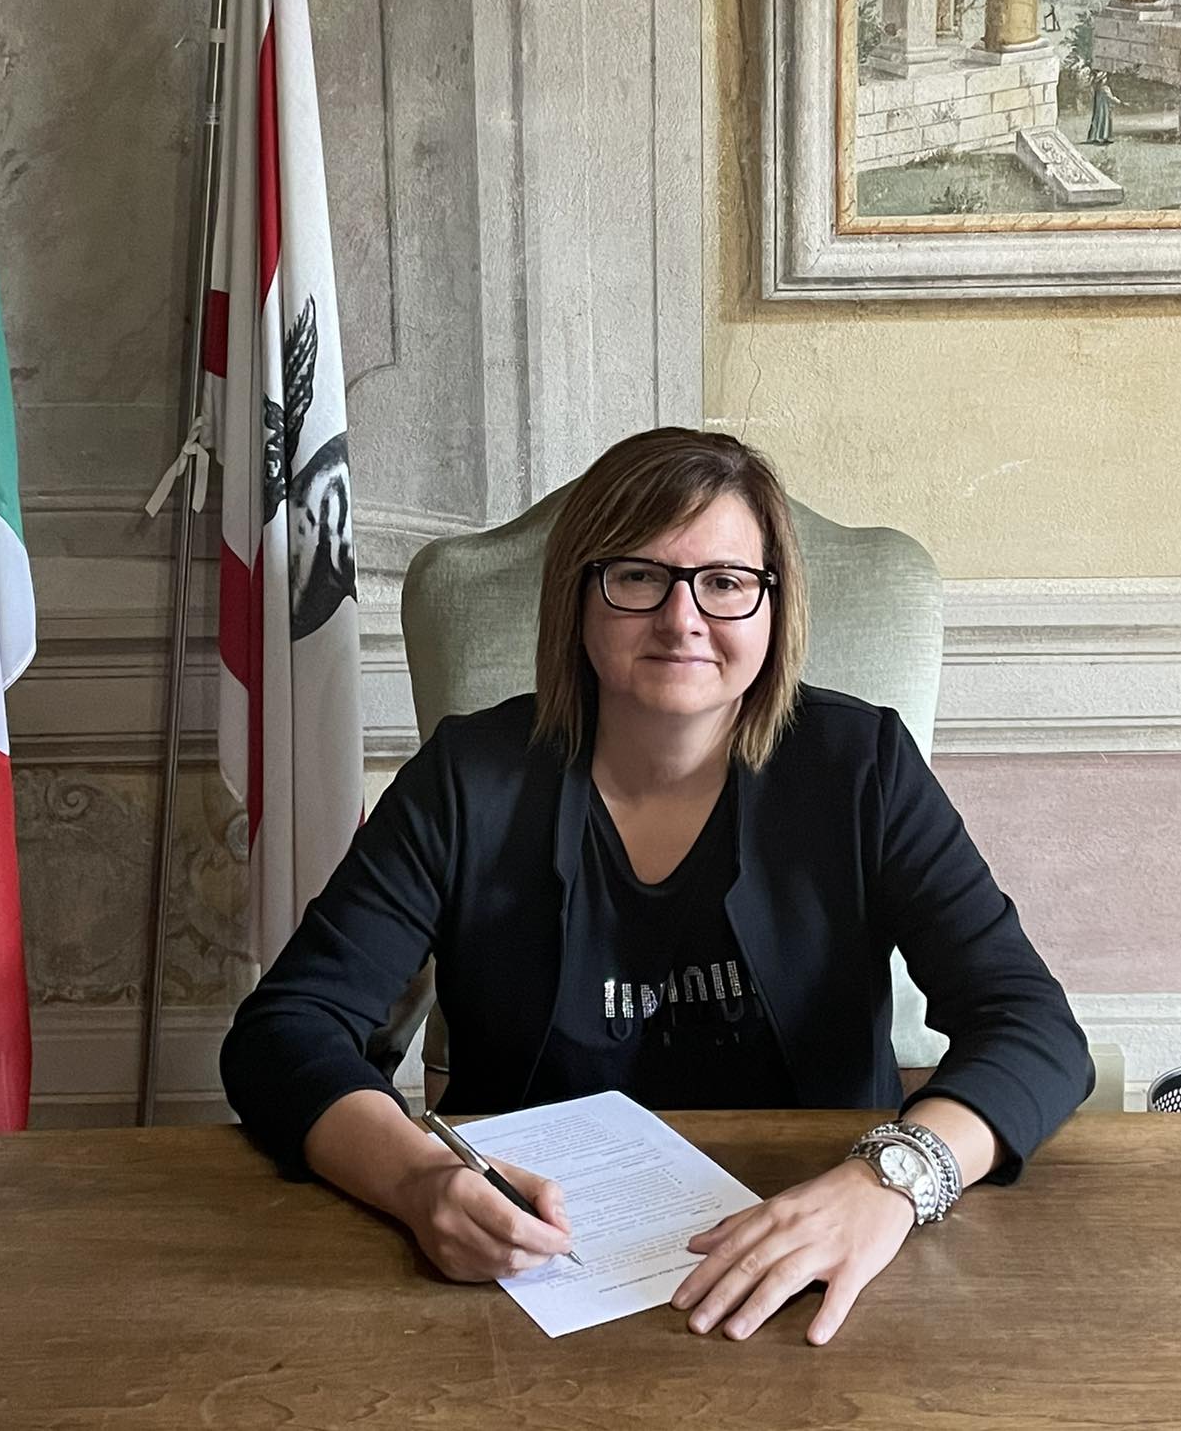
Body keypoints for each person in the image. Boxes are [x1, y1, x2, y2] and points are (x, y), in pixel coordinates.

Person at [223, 428, 1092, 1346]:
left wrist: (891, 1181)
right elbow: (287, 1031)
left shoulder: (862, 768)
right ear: (579, 598)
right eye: (638, 576)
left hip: (819, 1264)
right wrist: (418, 1181)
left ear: (773, 606)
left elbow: (1032, 1027)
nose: (683, 619)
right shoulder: (467, 780)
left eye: (725, 582)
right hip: (525, 1273)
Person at [1085, 70, 1119, 146]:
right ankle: (1102, 137)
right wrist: (1118, 101)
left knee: (1099, 121)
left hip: (1099, 108)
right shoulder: (1105, 88)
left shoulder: (1098, 89)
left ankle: (1098, 137)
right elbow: (1110, 98)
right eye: (1105, 78)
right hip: (1104, 108)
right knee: (1104, 121)